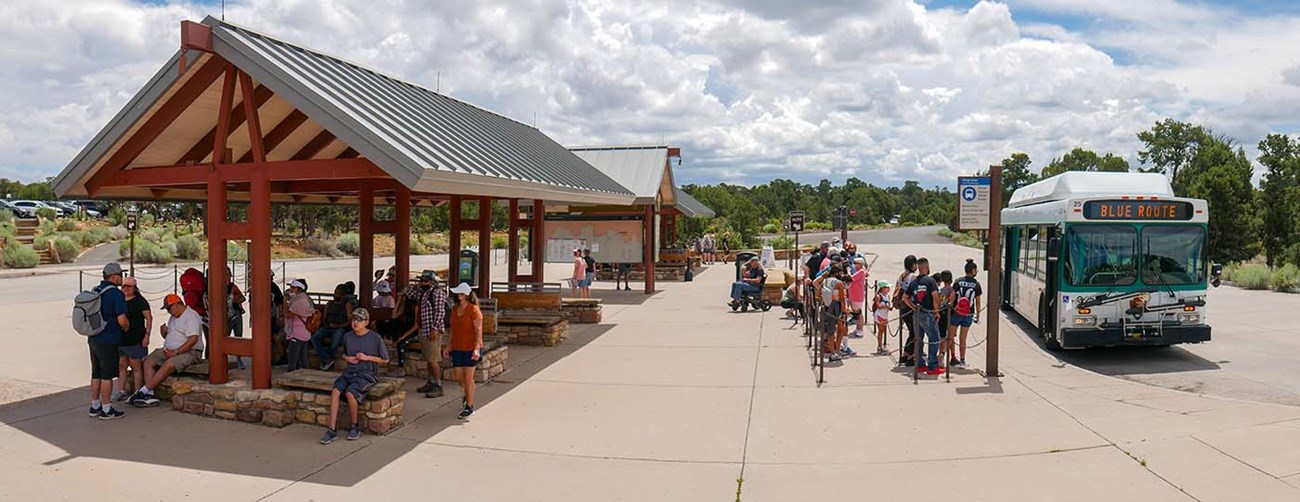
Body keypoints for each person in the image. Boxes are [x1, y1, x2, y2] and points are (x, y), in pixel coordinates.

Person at [319, 307, 389, 444]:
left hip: (367, 373)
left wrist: (367, 357)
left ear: (367, 322)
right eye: (354, 319)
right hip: (350, 371)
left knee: (351, 392)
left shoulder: (375, 338)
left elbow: (385, 359)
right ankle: (332, 429)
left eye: (360, 320)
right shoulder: (347, 336)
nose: (356, 322)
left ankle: (355, 426)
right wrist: (348, 359)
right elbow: (344, 354)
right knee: (335, 391)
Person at [130, 294, 204, 407]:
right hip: (170, 349)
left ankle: (143, 391)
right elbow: (172, 337)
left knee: (169, 364)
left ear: (177, 305)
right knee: (149, 360)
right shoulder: (173, 318)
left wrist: (176, 352)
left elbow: (193, 339)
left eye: (169, 308)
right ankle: (150, 394)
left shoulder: (191, 316)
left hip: (189, 351)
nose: (169, 312)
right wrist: (164, 333)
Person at [88, 262, 129, 420]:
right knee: (107, 375)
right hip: (109, 339)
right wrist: (126, 327)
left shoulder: (96, 291)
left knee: (96, 373)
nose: (122, 278)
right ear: (114, 276)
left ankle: (95, 405)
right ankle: (106, 408)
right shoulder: (116, 294)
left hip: (94, 338)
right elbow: (122, 320)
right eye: (121, 275)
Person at [445, 283, 483, 420]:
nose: (458, 295)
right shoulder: (455, 309)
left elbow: (478, 330)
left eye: (460, 293)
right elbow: (453, 330)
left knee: (468, 379)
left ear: (466, 295)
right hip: (457, 347)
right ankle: (467, 395)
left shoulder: (474, 310)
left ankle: (469, 406)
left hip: (470, 348)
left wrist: (477, 348)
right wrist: (448, 345)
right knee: (458, 377)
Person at [408, 271, 448, 397]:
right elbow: (409, 294)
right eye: (422, 281)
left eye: (426, 281)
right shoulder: (423, 292)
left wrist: (434, 328)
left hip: (432, 330)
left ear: (432, 281)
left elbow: (440, 312)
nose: (423, 283)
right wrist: (415, 286)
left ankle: (438, 385)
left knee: (433, 359)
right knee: (428, 359)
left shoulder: (437, 293)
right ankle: (430, 382)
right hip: (423, 329)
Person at [112, 277, 151, 402]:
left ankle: (137, 391)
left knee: (136, 367)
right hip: (121, 339)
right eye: (124, 286)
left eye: (129, 286)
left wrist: (147, 335)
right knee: (122, 365)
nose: (126, 289)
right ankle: (121, 390)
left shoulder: (140, 301)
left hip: (136, 339)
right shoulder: (119, 300)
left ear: (135, 288)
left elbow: (149, 318)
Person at [904, 257, 943, 375]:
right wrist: (937, 311)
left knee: (919, 339)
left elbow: (905, 297)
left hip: (916, 313)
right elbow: (935, 297)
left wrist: (913, 307)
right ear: (926, 267)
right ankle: (932, 365)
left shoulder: (914, 282)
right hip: (928, 313)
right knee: (934, 339)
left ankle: (920, 364)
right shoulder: (930, 281)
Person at [311, 284, 356, 371]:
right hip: (328, 327)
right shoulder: (329, 304)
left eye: (339, 293)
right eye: (335, 292)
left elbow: (349, 321)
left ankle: (326, 360)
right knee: (315, 338)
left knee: (335, 342)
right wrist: (326, 324)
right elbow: (324, 318)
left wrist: (338, 326)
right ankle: (327, 359)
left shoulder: (347, 305)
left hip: (340, 327)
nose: (336, 295)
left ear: (343, 296)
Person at [949, 259, 983, 369]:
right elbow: (977, 302)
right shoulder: (976, 284)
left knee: (951, 336)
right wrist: (978, 316)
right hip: (968, 314)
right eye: (976, 270)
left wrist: (951, 308)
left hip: (956, 312)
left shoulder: (958, 281)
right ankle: (962, 360)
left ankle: (952, 357)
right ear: (973, 271)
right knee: (963, 338)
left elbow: (952, 297)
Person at [813, 264, 849, 361]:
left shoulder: (825, 281)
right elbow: (842, 299)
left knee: (830, 331)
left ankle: (833, 352)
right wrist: (844, 311)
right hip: (837, 308)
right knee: (841, 330)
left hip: (827, 308)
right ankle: (836, 351)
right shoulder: (839, 283)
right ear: (837, 273)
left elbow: (817, 294)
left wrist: (824, 300)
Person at [284, 279, 315, 372]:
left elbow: (288, 314)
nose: (290, 289)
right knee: (302, 357)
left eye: (293, 288)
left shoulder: (300, 301)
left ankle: (291, 378)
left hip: (297, 333)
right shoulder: (305, 298)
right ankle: (306, 376)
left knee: (293, 358)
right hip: (304, 332)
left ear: (299, 289)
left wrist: (285, 301)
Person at [896, 255, 919, 365]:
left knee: (912, 331)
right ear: (913, 265)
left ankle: (905, 354)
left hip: (902, 306)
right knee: (914, 332)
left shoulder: (901, 276)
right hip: (910, 306)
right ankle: (910, 356)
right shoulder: (913, 277)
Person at [935, 270, 955, 367]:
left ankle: (940, 353)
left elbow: (938, 303)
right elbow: (951, 303)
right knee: (950, 337)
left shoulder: (940, 291)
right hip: (949, 315)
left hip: (941, 314)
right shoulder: (952, 291)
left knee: (942, 337)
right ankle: (944, 354)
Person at [847, 256, 869, 339]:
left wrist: (848, 271)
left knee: (858, 313)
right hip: (853, 295)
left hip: (857, 295)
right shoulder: (858, 271)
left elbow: (851, 279)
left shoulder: (861, 272)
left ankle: (860, 330)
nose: (854, 265)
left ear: (860, 264)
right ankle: (857, 328)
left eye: (856, 263)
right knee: (855, 313)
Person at [270, 270, 287, 366]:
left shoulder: (274, 288)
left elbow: (280, 303)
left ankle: (282, 357)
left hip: (274, 317)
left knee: (275, 338)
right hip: (268, 317)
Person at [872, 281, 893, 356]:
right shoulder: (878, 296)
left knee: (883, 331)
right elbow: (878, 306)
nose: (888, 289)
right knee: (880, 331)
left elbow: (889, 305)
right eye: (887, 287)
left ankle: (881, 346)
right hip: (879, 315)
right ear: (882, 288)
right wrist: (886, 307)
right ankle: (879, 346)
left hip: (885, 315)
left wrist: (890, 307)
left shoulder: (887, 296)